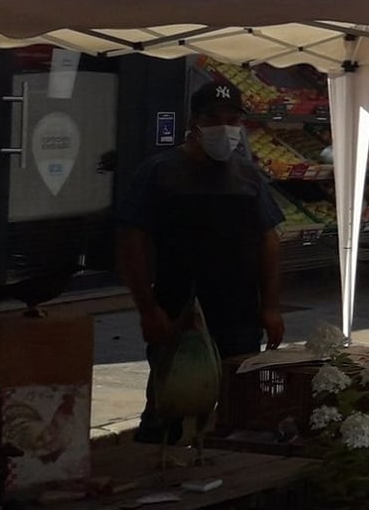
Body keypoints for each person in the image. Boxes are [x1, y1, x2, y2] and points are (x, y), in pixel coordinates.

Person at [117, 81, 285, 443]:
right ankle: (158, 465)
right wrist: (147, 308)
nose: (225, 128)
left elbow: (269, 240)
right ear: (195, 122)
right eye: (214, 119)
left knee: (236, 406)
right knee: (170, 401)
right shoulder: (159, 171)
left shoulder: (248, 176)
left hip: (239, 309)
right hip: (179, 307)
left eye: (233, 119)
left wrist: (270, 307)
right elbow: (132, 240)